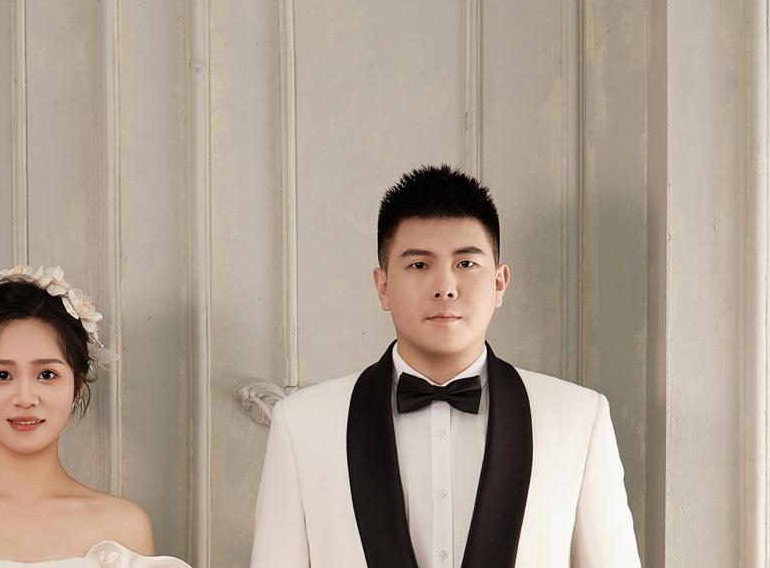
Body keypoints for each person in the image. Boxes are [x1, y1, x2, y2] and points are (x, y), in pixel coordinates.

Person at [250, 165, 640, 567]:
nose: (445, 288)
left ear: (499, 282)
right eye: (419, 265)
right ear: (383, 286)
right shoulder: (302, 425)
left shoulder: (579, 418)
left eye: (465, 264)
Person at [0, 264, 190, 568]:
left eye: (47, 374)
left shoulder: (124, 527)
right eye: (2, 375)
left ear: (77, 385)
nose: (25, 399)